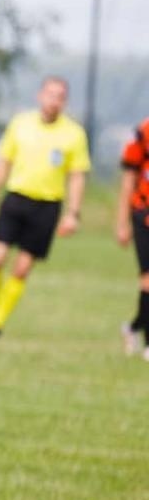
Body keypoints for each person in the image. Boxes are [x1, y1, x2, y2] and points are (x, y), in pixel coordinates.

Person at [0, 76, 90, 338]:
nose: (54, 101)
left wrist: (73, 213)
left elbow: (77, 176)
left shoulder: (73, 134)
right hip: (16, 199)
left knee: (21, 268)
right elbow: (3, 163)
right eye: (50, 94)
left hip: (47, 206)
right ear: (40, 95)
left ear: (65, 101)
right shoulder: (20, 125)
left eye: (60, 96)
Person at [114, 117, 149, 359]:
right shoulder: (143, 131)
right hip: (144, 213)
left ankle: (134, 327)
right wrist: (122, 221)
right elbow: (128, 179)